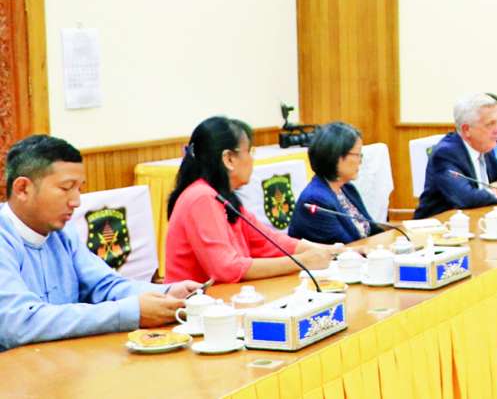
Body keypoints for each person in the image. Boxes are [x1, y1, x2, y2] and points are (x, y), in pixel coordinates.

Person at [0, 135, 201, 350]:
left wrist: (167, 294)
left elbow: (105, 285)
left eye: (79, 189)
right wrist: (130, 312)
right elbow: (19, 323)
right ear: (23, 188)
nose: (76, 201)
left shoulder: (62, 233)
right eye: (66, 188)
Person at [163, 117, 340, 284]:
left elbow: (269, 241)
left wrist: (330, 251)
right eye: (249, 151)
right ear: (229, 159)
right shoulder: (201, 197)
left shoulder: (222, 196)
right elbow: (227, 269)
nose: (252, 159)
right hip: (193, 303)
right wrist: (302, 262)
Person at [416, 94, 497, 219]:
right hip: (439, 227)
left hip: (476, 219)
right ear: (466, 130)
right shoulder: (445, 154)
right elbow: (466, 199)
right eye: (491, 124)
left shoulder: (483, 147)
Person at [289, 122, 378, 245]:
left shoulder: (347, 189)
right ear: (336, 156)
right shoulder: (316, 200)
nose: (360, 161)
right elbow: (344, 247)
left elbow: (373, 230)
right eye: (357, 154)